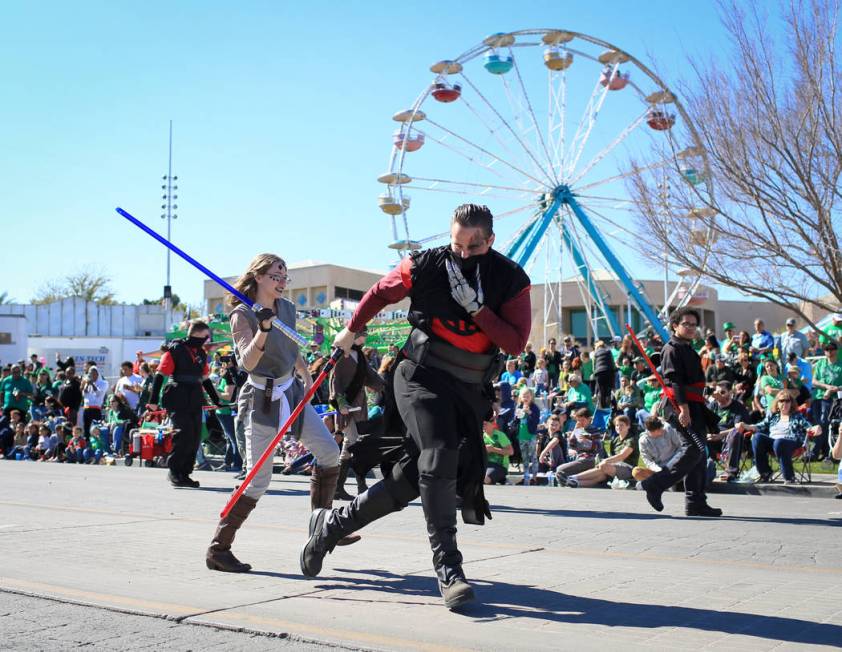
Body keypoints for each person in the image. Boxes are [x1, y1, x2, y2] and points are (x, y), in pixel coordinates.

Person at [299, 203, 531, 610]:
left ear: (490, 240)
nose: (461, 254)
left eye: (473, 246)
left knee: (413, 479)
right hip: (419, 376)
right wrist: (351, 331)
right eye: (456, 243)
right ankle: (449, 568)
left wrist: (478, 310)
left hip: (466, 391)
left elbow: (514, 343)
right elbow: (378, 293)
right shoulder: (425, 264)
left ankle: (330, 526)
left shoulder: (511, 279)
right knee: (439, 455)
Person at [206, 254, 353, 575]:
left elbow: (291, 348)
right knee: (258, 479)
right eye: (276, 275)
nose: (282, 281)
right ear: (258, 277)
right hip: (261, 398)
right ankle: (219, 549)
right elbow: (247, 362)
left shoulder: (286, 308)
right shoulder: (241, 314)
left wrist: (306, 375)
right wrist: (263, 328)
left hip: (292, 391)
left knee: (329, 454)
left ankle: (321, 528)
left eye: (285, 276)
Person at [639, 307, 722, 517]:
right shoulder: (672, 349)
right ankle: (655, 484)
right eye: (687, 324)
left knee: (699, 454)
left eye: (694, 325)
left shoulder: (688, 348)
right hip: (679, 405)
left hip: (695, 405)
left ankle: (696, 502)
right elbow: (674, 381)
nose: (691, 328)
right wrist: (684, 410)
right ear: (675, 325)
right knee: (693, 448)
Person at [148, 320, 222, 488]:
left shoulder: (201, 354)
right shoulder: (174, 350)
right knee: (183, 434)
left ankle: (185, 473)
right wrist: (153, 401)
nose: (207, 340)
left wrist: (216, 400)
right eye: (205, 337)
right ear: (195, 335)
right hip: (177, 396)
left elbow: (204, 379)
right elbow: (160, 375)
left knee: (195, 436)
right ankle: (174, 471)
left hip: (195, 396)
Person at [330, 327, 384, 500]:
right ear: (354, 336)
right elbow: (335, 379)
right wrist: (340, 402)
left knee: (350, 444)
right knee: (354, 442)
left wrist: (386, 386)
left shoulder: (359, 355)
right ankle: (360, 485)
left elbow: (370, 376)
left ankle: (338, 487)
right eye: (363, 336)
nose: (365, 339)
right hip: (346, 405)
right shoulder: (340, 353)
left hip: (358, 404)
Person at [739, 390, 820, 484]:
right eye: (781, 401)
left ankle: (789, 477)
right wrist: (745, 425)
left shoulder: (797, 416)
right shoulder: (773, 416)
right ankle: (765, 472)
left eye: (787, 401)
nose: (784, 403)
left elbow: (808, 427)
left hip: (792, 443)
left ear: (791, 403)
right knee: (757, 437)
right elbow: (760, 426)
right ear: (777, 403)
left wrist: (816, 428)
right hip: (774, 444)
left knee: (779, 442)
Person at [562, 414, 638, 488]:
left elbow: (622, 456)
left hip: (628, 468)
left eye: (622, 425)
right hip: (614, 467)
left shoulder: (631, 440)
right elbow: (572, 444)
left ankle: (574, 477)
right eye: (617, 425)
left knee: (603, 466)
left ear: (628, 426)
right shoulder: (615, 440)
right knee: (601, 475)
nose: (619, 427)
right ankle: (576, 483)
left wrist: (605, 461)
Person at [706, 382, 749, 482]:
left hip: (730, 440)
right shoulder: (713, 405)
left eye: (722, 392)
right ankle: (700, 470)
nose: (718, 395)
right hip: (713, 440)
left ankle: (731, 472)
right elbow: (704, 423)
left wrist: (720, 435)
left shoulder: (738, 407)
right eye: (716, 392)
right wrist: (708, 434)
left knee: (735, 434)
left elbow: (738, 427)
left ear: (730, 392)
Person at [811, 341, 842, 460]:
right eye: (827, 349)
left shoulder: (840, 364)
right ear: (824, 351)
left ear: (836, 350)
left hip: (834, 400)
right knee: (819, 425)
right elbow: (814, 381)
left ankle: (822, 453)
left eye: (832, 349)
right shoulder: (820, 363)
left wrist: (835, 389)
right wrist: (827, 387)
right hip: (818, 397)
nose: (829, 351)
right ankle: (823, 452)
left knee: (825, 424)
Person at [633, 416, 685, 483]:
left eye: (661, 427)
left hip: (675, 465)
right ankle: (665, 483)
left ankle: (669, 483)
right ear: (651, 431)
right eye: (659, 430)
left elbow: (681, 447)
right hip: (659, 470)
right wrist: (659, 470)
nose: (662, 430)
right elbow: (647, 461)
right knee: (636, 472)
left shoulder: (668, 428)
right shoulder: (643, 441)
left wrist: (671, 464)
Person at [511, 387, 540, 485]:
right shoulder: (519, 406)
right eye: (524, 396)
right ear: (520, 397)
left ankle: (534, 477)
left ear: (531, 397)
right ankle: (526, 475)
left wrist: (529, 413)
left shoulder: (534, 408)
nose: (526, 398)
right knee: (524, 457)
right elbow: (516, 420)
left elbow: (536, 421)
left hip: (531, 435)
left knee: (533, 456)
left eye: (528, 396)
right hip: (521, 435)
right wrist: (518, 414)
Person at [483, 413, 513, 485]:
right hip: (485, 464)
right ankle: (500, 479)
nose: (483, 426)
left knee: (486, 479)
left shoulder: (500, 435)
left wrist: (493, 449)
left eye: (485, 424)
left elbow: (511, 452)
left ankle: (501, 478)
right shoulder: (481, 435)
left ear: (493, 424)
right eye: (482, 424)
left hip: (499, 465)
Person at [80, 367, 108, 436]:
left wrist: (92, 384)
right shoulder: (88, 383)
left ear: (98, 374)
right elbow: (84, 394)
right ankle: (87, 442)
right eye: (91, 374)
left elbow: (99, 394)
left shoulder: (103, 383)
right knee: (86, 428)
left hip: (96, 409)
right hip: (87, 408)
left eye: (94, 374)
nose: (92, 375)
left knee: (96, 428)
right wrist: (86, 385)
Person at [592, 340, 616, 409]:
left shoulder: (595, 353)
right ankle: (608, 406)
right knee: (608, 389)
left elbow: (594, 365)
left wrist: (594, 373)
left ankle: (602, 407)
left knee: (601, 390)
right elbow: (612, 362)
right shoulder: (608, 351)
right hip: (608, 371)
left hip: (599, 372)